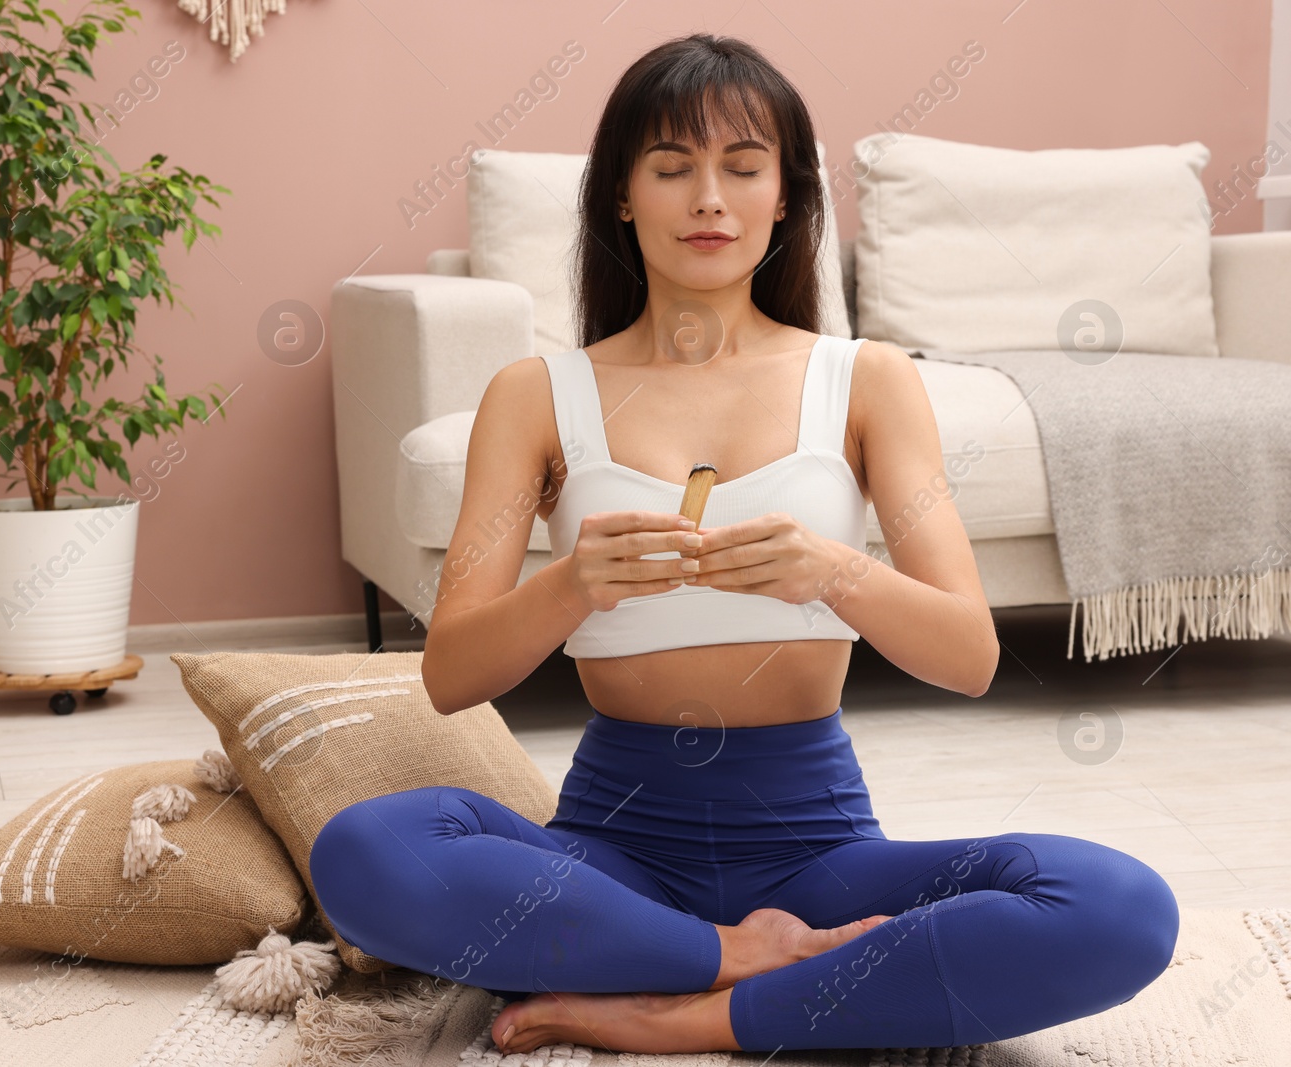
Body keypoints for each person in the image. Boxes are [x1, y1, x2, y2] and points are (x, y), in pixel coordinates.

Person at [307, 31, 1180, 1055]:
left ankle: (689, 1011)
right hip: (613, 844)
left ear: (786, 197)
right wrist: (572, 583)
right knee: (365, 851)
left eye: (742, 167)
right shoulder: (535, 394)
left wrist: (834, 571)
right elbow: (452, 673)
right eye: (672, 168)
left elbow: (969, 654)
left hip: (819, 851)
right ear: (622, 198)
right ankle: (735, 957)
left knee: (1119, 904)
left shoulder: (867, 378)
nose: (708, 198)